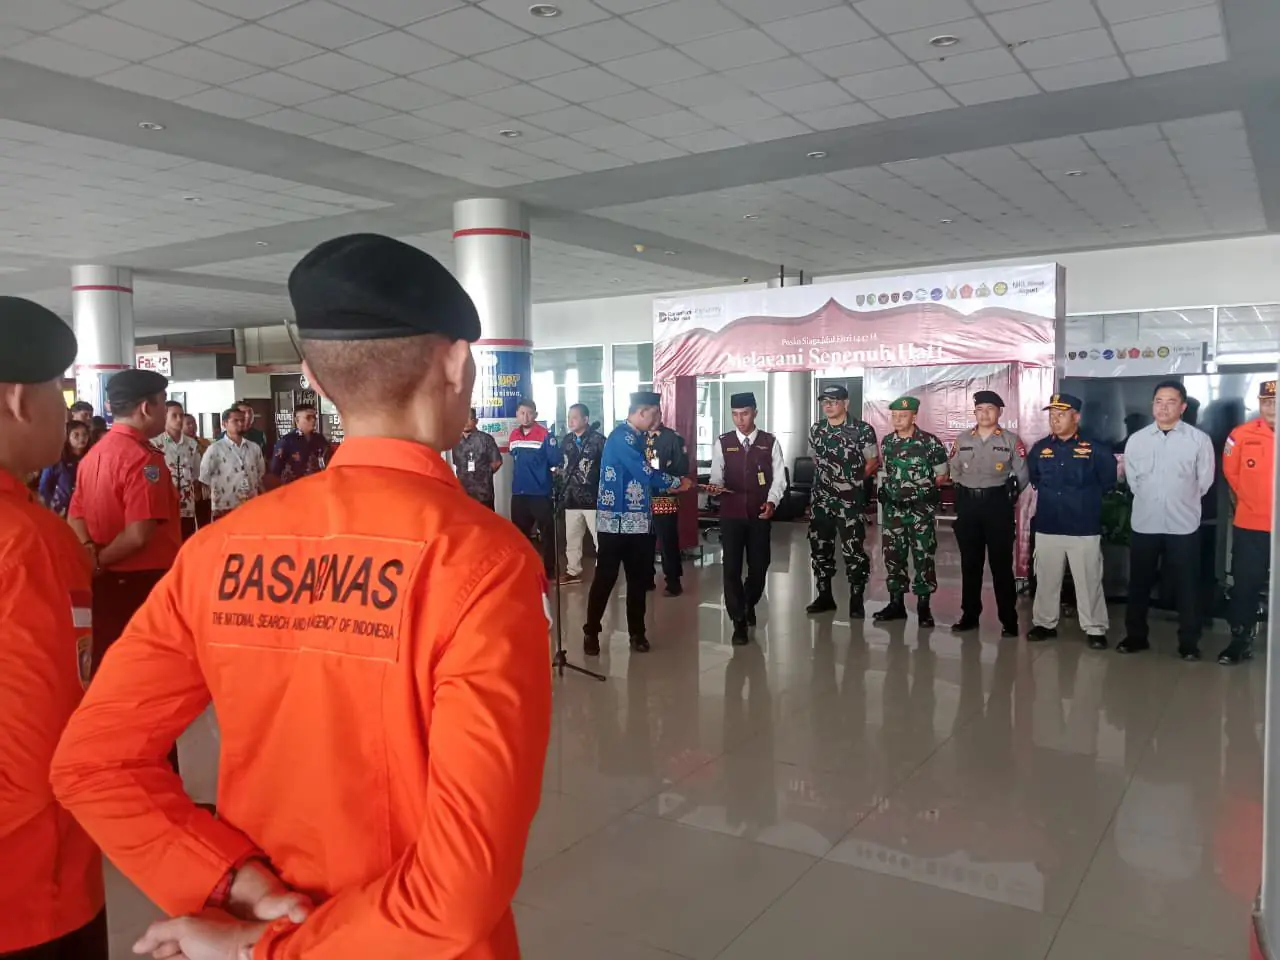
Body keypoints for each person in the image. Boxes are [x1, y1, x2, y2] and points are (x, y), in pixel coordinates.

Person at [51, 233, 552, 960]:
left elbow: (92, 763)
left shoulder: (217, 550)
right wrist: (267, 949)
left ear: (313, 378)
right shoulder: (483, 561)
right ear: (456, 363)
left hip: (260, 911)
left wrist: (235, 886)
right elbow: (458, 891)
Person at [0, 297, 107, 960]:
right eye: (57, 393)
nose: (66, 412)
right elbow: (39, 755)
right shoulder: (28, 542)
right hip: (29, 891)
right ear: (18, 399)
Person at [67, 368, 180, 675]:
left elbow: (75, 515)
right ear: (146, 407)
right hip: (141, 583)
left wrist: (91, 555)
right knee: (145, 671)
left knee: (108, 665)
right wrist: (100, 561)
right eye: (162, 401)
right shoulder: (143, 458)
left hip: (104, 584)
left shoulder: (94, 454)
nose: (165, 409)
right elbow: (139, 534)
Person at [584, 392, 692, 654]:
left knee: (638, 580)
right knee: (605, 578)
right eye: (654, 414)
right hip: (613, 523)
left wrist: (671, 482)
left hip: (641, 523)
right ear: (642, 412)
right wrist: (676, 482)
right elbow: (644, 473)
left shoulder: (641, 438)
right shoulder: (621, 437)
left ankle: (637, 633)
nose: (656, 420)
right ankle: (591, 631)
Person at [1121, 380, 1215, 659]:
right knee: (1139, 583)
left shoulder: (1199, 441)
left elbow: (1204, 481)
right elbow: (1133, 480)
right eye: (1158, 401)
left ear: (1182, 407)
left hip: (1183, 524)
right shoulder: (1137, 440)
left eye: (1171, 402)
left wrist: (1180, 498)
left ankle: (1189, 642)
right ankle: (1136, 636)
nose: (1163, 407)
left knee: (1187, 586)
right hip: (1145, 522)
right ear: (1152, 405)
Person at [1026, 393, 1118, 649]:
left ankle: (1095, 628)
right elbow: (1034, 477)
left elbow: (1108, 481)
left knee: (1089, 580)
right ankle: (1044, 624)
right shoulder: (1040, 449)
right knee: (1046, 579)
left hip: (1083, 526)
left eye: (1061, 415)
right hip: (1048, 524)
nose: (1055, 420)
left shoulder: (1096, 449)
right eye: (1052, 415)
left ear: (1076, 417)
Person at [707, 392, 785, 644]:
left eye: (745, 414)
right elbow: (716, 475)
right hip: (731, 515)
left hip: (759, 514)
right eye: (735, 415)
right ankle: (738, 620)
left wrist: (772, 501)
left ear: (755, 413)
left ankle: (748, 602)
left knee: (759, 566)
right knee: (731, 568)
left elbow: (779, 479)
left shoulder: (769, 442)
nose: (740, 420)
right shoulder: (723, 442)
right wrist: (715, 487)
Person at [949, 390, 1028, 637]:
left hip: (997, 506)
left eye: (990, 409)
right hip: (969, 506)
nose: (984, 414)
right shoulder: (962, 439)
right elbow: (954, 471)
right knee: (970, 564)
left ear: (1000, 412)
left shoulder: (1011, 440)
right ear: (974, 412)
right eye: (980, 409)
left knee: (1001, 565)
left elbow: (1023, 475)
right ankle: (970, 615)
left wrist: (1003, 495)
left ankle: (1009, 619)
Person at [874, 396, 949, 628]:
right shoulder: (887, 442)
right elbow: (888, 472)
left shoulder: (930, 442)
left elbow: (942, 476)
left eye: (903, 416)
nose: (897, 419)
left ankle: (923, 607)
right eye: (894, 415)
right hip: (893, 511)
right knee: (893, 557)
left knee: (923, 557)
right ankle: (896, 603)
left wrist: (921, 491)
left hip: (919, 512)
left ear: (914, 417)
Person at [806, 383, 879, 619]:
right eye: (824, 402)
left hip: (849, 502)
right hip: (821, 500)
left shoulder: (862, 430)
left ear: (845, 403)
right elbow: (815, 458)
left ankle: (856, 599)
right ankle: (824, 596)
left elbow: (872, 462)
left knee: (853, 551)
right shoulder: (817, 429)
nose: (828, 406)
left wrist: (852, 482)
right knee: (820, 548)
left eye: (833, 401)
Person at [1218, 379, 1275, 665]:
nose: (1272, 408)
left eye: (1277, 402)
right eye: (1267, 402)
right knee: (1244, 586)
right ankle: (1240, 640)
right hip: (1251, 526)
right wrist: (1254, 501)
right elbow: (1232, 474)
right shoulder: (1240, 435)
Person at [508, 398, 557, 578]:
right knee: (519, 535)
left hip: (540, 493)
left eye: (529, 413)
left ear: (535, 415)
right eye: (522, 413)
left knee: (547, 533)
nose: (525, 417)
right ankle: (524, 568)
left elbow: (554, 461)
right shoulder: (514, 435)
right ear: (517, 414)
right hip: (519, 493)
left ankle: (549, 569)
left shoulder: (545, 435)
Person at [560, 402, 605, 584]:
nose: (570, 421)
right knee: (572, 538)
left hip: (593, 497)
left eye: (575, 417)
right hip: (571, 497)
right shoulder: (567, 440)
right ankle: (573, 571)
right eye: (569, 417)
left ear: (586, 419)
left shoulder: (599, 440)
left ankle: (603, 571)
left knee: (599, 538)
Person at [646, 411, 690, 595]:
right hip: (640, 497)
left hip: (665, 494)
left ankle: (673, 581)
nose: (653, 419)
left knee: (667, 539)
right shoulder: (637, 437)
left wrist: (672, 482)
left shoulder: (672, 437)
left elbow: (682, 467)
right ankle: (646, 579)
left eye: (656, 415)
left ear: (661, 415)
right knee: (643, 539)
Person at [200, 406, 267, 520]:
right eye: (235, 421)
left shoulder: (254, 447)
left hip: (250, 504)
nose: (240, 423)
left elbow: (260, 473)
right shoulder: (215, 449)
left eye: (242, 420)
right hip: (225, 506)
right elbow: (204, 477)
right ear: (224, 424)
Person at [153, 399, 204, 540]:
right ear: (165, 417)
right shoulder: (155, 444)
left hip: (187, 506)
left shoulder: (192, 444)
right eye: (174, 416)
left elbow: (196, 474)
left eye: (181, 415)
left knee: (186, 540)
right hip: (164, 506)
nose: (179, 419)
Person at [267, 402, 329, 488]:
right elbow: (275, 471)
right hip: (294, 488)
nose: (313, 420)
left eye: (314, 417)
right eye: (308, 417)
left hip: (318, 486)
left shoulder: (320, 439)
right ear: (297, 420)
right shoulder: (286, 441)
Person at [452, 406, 502, 509]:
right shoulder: (455, 441)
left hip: (483, 494)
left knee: (486, 519)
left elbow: (497, 462)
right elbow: (457, 464)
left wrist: (484, 475)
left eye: (469, 418)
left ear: (476, 421)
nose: (465, 422)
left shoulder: (486, 439)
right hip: (463, 493)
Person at [38, 420, 91, 517]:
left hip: (85, 509)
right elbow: (44, 486)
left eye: (84, 435)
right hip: (60, 510)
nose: (81, 438)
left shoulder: (91, 458)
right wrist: (50, 506)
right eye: (76, 435)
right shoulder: (56, 459)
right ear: (67, 437)